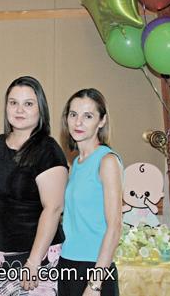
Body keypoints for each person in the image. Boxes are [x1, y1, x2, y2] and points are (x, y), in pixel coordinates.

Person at [0, 76, 68, 295]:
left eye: (28, 103)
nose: (19, 109)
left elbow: (54, 208)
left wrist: (34, 262)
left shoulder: (47, 149)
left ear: (41, 109)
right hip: (0, 258)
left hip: (35, 258)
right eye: (13, 102)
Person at [58, 88, 122, 296]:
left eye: (88, 116)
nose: (78, 123)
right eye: (73, 114)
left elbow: (115, 226)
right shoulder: (76, 163)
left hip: (95, 268)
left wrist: (95, 284)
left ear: (101, 121)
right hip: (68, 263)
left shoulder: (107, 161)